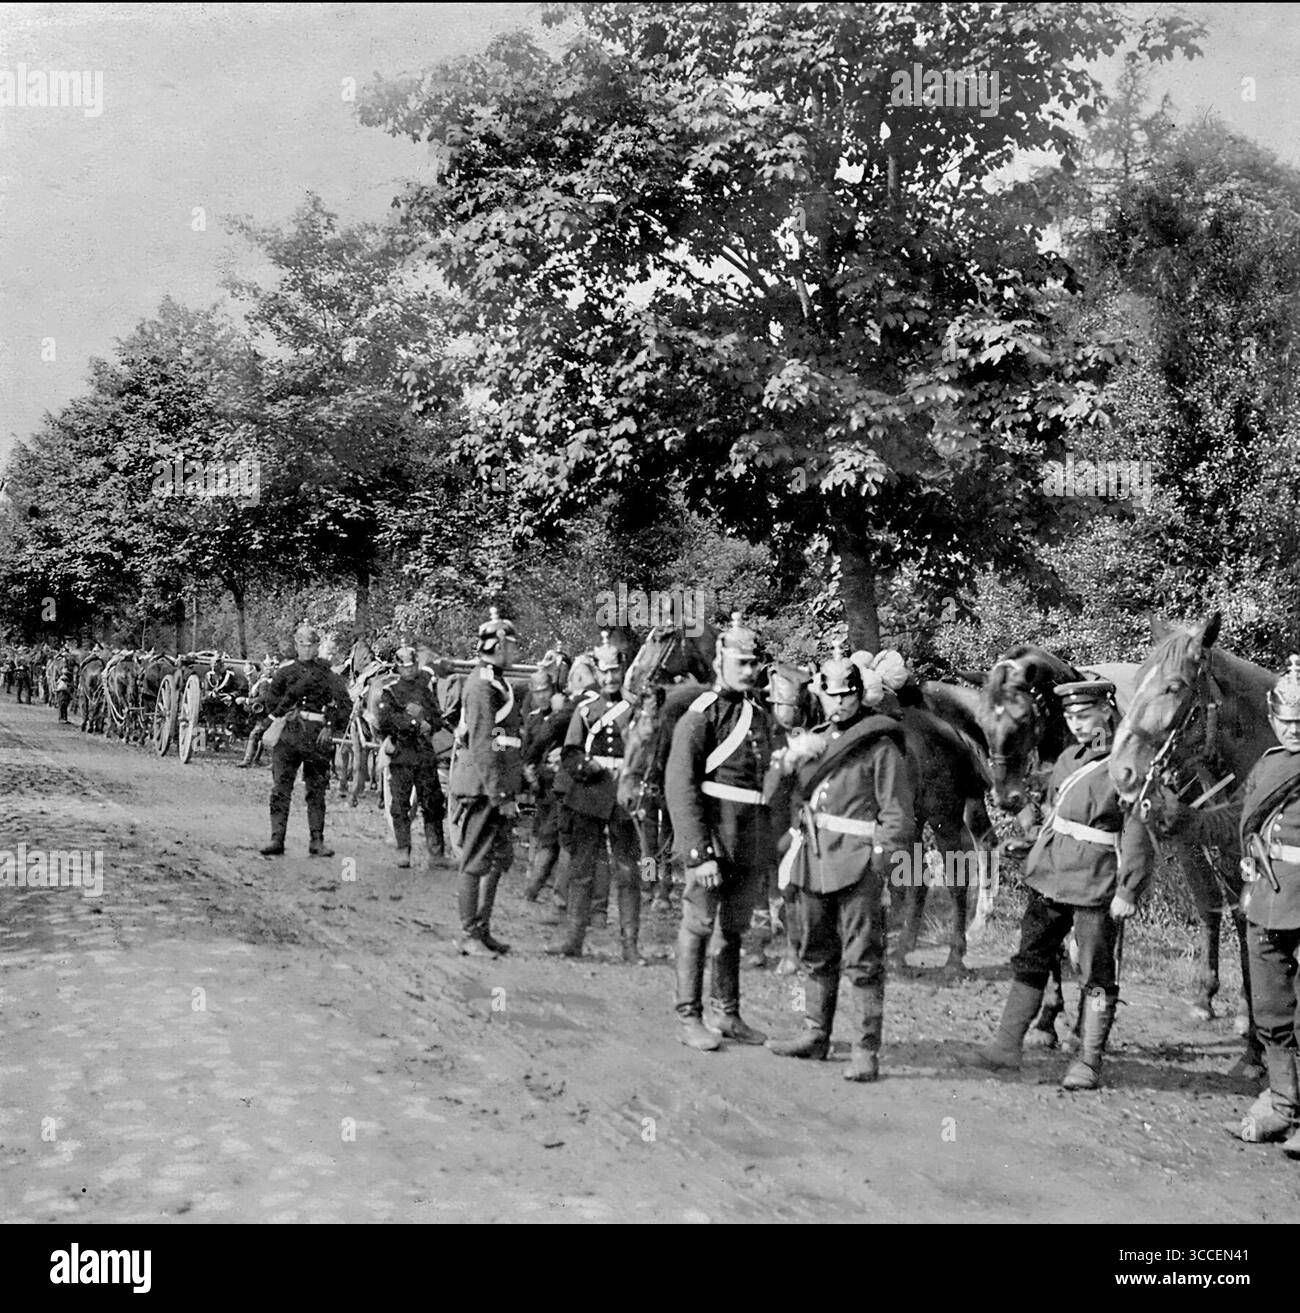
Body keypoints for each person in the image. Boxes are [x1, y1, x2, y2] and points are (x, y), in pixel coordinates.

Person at [974, 674, 1155, 1090]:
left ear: (1107, 712)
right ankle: (1006, 1044)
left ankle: (1088, 1060)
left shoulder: (1126, 763)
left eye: (1085, 715)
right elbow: (1056, 810)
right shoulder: (1070, 757)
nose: (1077, 724)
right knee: (1031, 956)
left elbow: (1137, 830)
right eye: (1071, 717)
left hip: (1095, 878)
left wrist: (1129, 888)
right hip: (1051, 873)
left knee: (1095, 970)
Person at [764, 647, 916, 1082]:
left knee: (864, 959)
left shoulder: (880, 745)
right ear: (820, 697)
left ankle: (866, 1050)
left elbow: (897, 815)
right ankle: (816, 1034)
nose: (840, 702)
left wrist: (880, 865)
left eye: (848, 694)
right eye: (832, 695)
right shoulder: (811, 739)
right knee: (814, 950)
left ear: (860, 696)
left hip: (857, 863)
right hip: (812, 859)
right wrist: (789, 759)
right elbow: (780, 795)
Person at [665, 613, 778, 1051]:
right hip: (713, 839)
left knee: (733, 930)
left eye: (754, 663)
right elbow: (680, 786)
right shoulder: (700, 716)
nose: (749, 671)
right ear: (720, 662)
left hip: (748, 841)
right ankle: (690, 1016)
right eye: (741, 662)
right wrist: (698, 852)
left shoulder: (760, 716)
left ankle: (727, 1013)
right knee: (697, 925)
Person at [1234, 655, 1300, 1152]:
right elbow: (1247, 828)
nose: (1295, 729)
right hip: (1270, 900)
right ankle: (1282, 1102)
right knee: (1271, 1009)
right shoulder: (1269, 766)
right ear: (1273, 720)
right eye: (1287, 721)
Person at [546, 632, 644, 964]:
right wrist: (591, 767)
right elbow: (571, 754)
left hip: (624, 798)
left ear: (622, 670)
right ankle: (573, 939)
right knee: (582, 868)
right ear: (596, 673)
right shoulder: (586, 709)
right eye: (604, 672)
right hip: (589, 795)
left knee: (629, 871)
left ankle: (630, 946)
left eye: (615, 671)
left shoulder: (635, 709)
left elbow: (648, 753)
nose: (610, 677)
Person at [448, 607, 524, 957]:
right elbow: (483, 743)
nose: (517, 651)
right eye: (512, 645)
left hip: (495, 785)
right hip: (483, 786)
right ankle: (468, 934)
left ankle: (482, 928)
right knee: (476, 860)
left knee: (496, 859)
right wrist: (500, 794)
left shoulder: (496, 681)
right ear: (498, 647)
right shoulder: (481, 684)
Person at [260, 625, 352, 857]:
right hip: (288, 735)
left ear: (317, 646)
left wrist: (330, 726)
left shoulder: (330, 676)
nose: (306, 649)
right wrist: (284, 714)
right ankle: (276, 839)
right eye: (302, 644)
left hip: (317, 738)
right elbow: (272, 701)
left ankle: (317, 841)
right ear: (295, 645)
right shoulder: (285, 673)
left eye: (311, 644)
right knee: (281, 788)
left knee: (317, 790)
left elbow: (344, 706)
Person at [376, 645, 447, 870]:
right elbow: (387, 721)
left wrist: (430, 723)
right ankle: (403, 850)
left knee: (433, 803)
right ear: (397, 667)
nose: (409, 670)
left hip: (425, 755)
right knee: (400, 805)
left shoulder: (426, 689)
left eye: (412, 666)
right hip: (402, 753)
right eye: (404, 666)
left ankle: (436, 853)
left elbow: (438, 717)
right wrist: (416, 723)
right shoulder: (390, 691)